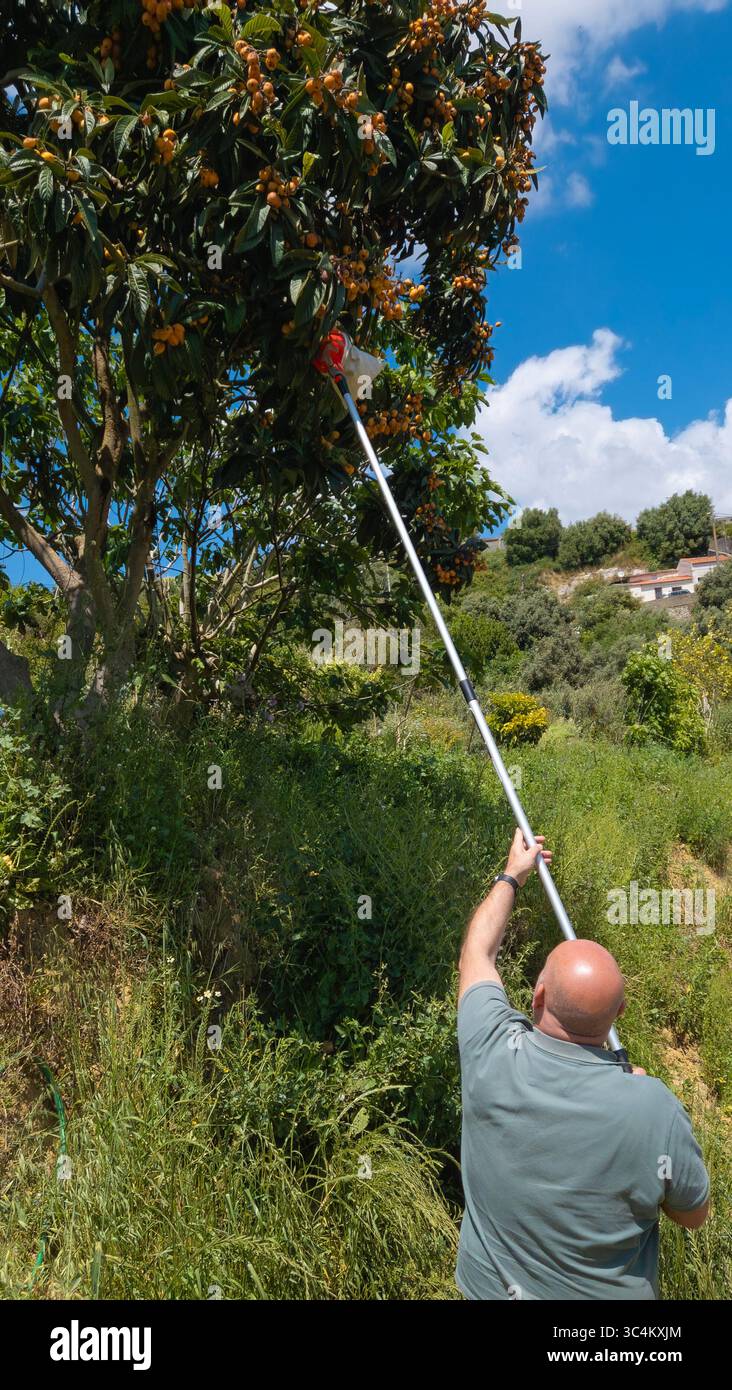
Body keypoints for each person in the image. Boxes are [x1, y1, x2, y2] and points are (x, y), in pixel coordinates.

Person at [457, 828, 710, 1301]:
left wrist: (513, 874)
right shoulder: (653, 1108)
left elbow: (477, 954)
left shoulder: (488, 1049)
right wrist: (641, 1104)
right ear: (619, 1016)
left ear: (537, 995)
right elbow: (693, 1215)